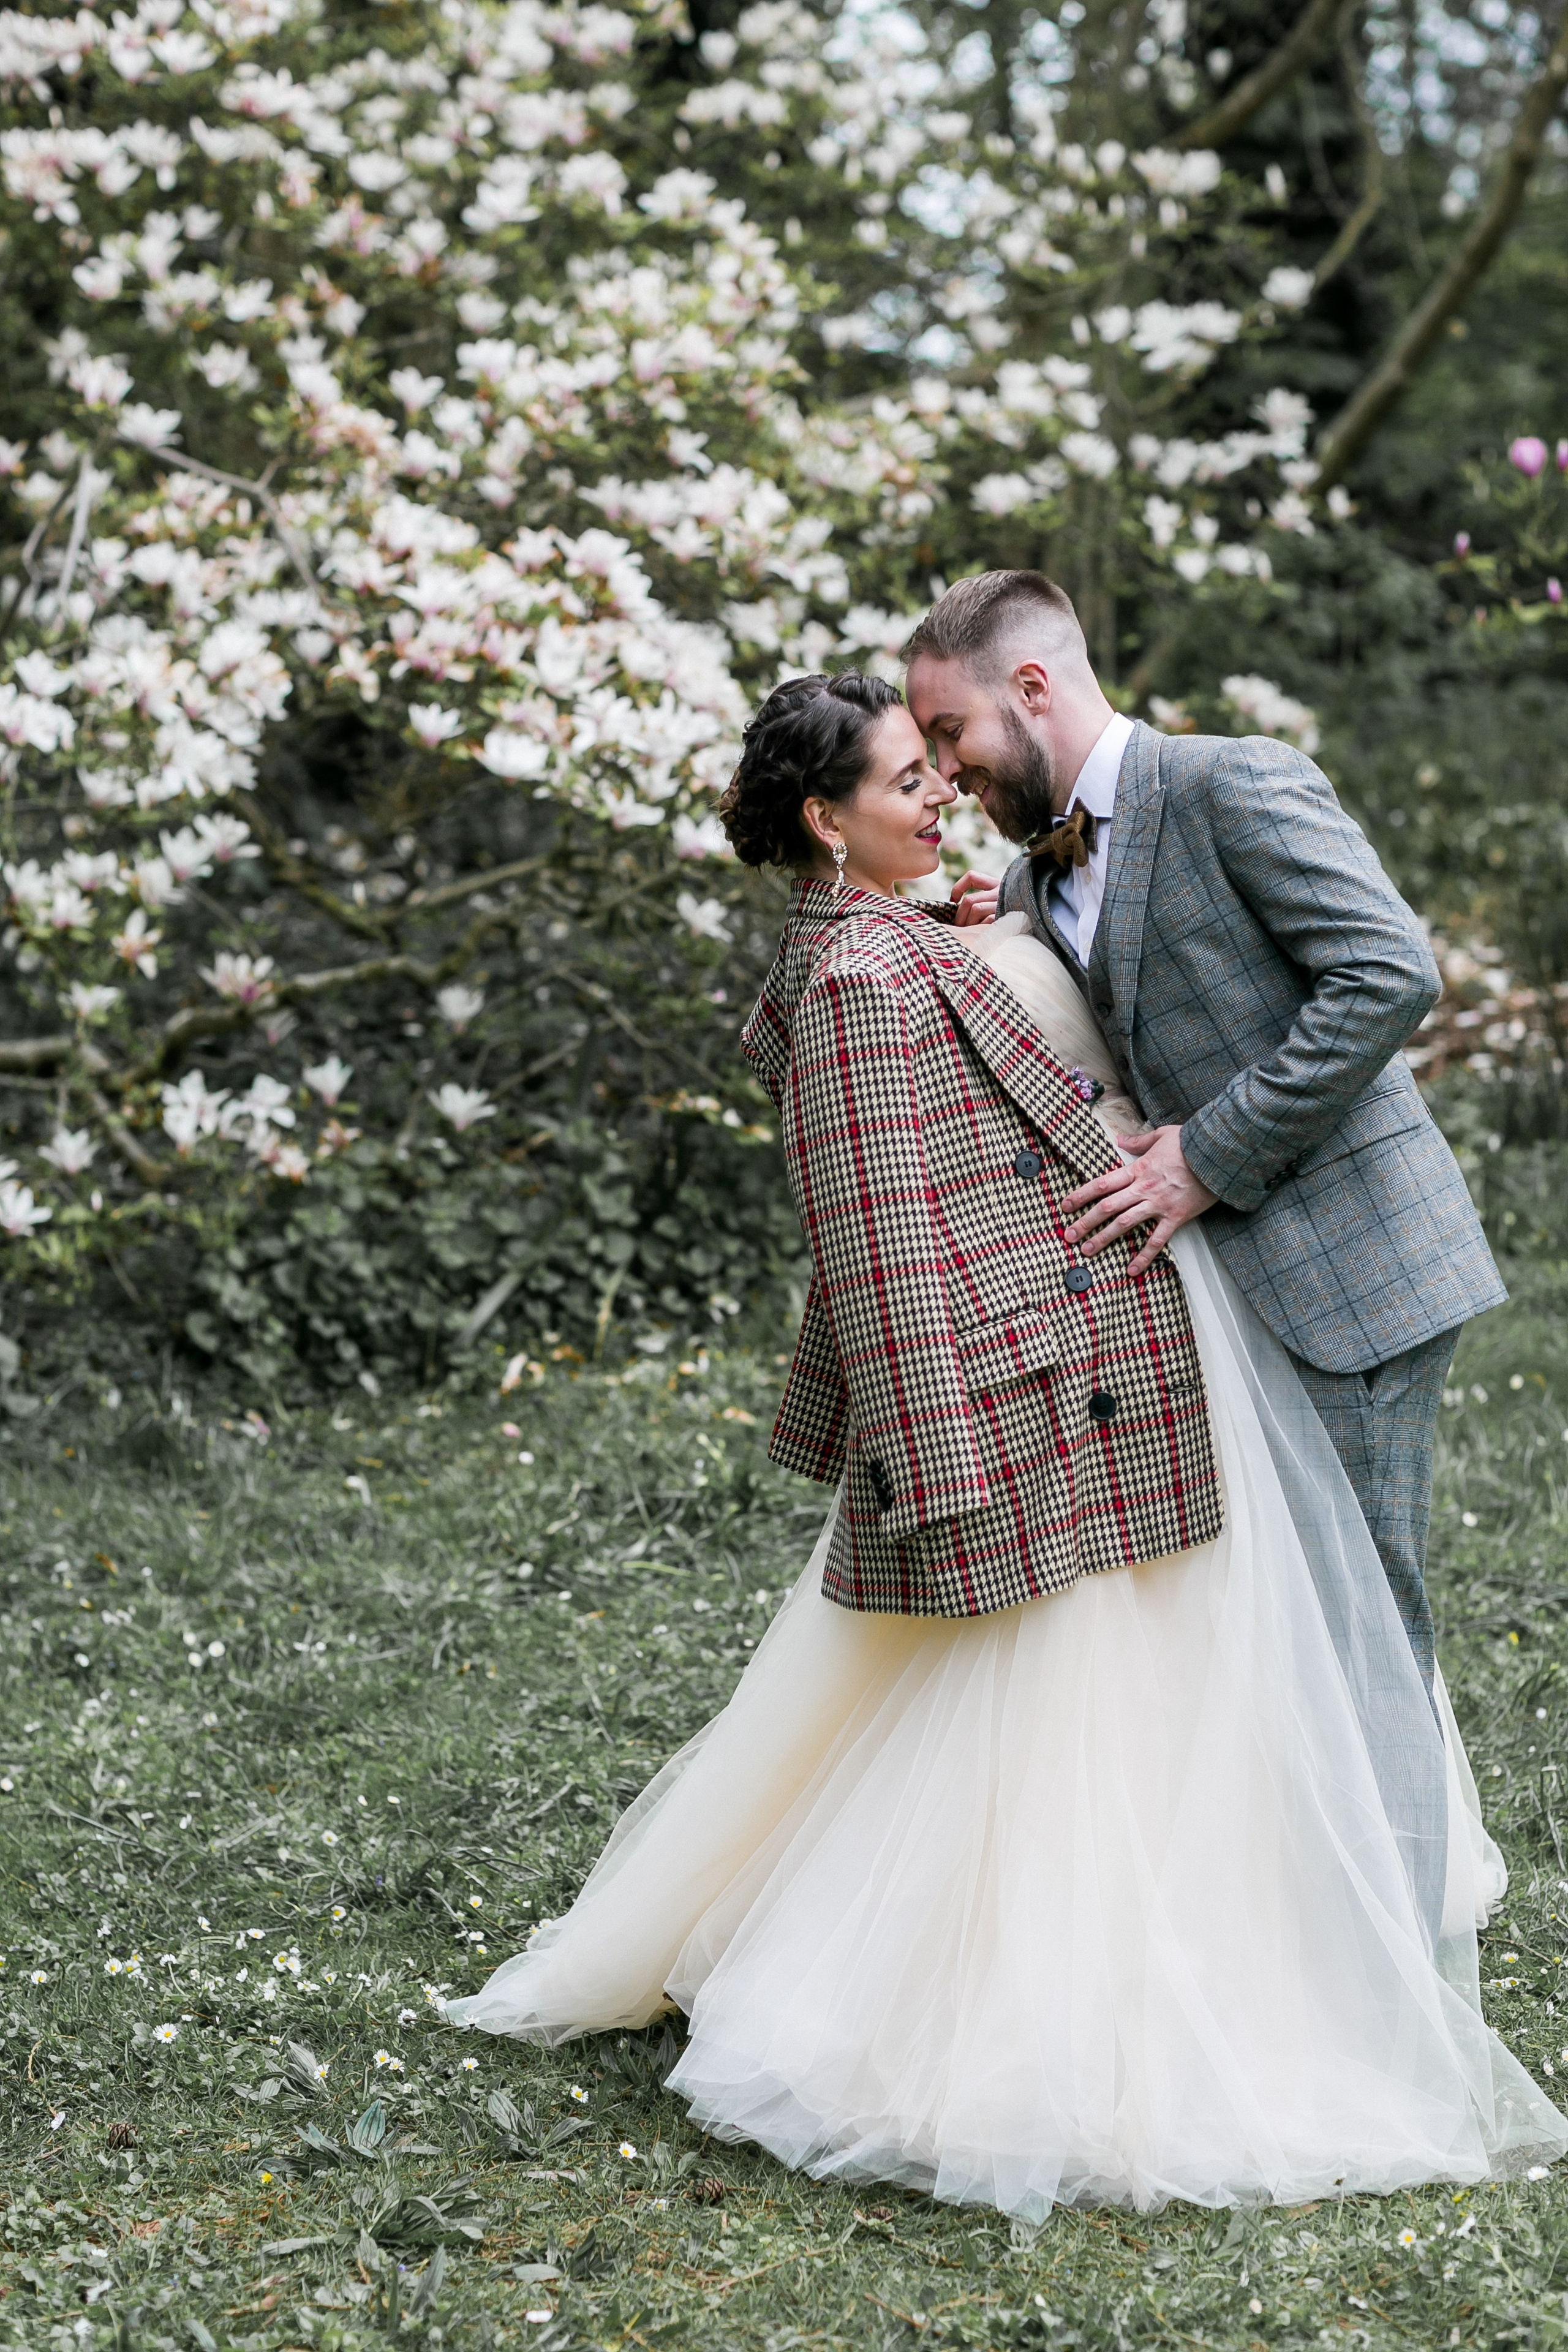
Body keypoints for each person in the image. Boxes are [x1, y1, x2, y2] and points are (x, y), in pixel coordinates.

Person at [446, 670, 1566, 2215]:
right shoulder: (851, 975)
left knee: (1188, 1676)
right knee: (1055, 1710)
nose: (939, 794)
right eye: (906, 779)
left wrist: (980, 920)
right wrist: (932, 1452)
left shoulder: (925, 925)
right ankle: (1021, 2006)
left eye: (936, 763)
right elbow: (879, 1232)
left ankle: (1251, 1932)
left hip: (1120, 1350)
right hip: (1025, 1384)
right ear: (821, 821)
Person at [904, 570, 1502, 1694]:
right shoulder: (1037, 872)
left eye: (952, 732)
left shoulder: (1235, 779)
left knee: (1358, 1619)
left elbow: (1389, 974)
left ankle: (1410, 1876)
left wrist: (1204, 1154)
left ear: (1031, 688)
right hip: (1219, 1301)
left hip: (1354, 1268)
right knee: (1274, 1624)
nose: (946, 771)